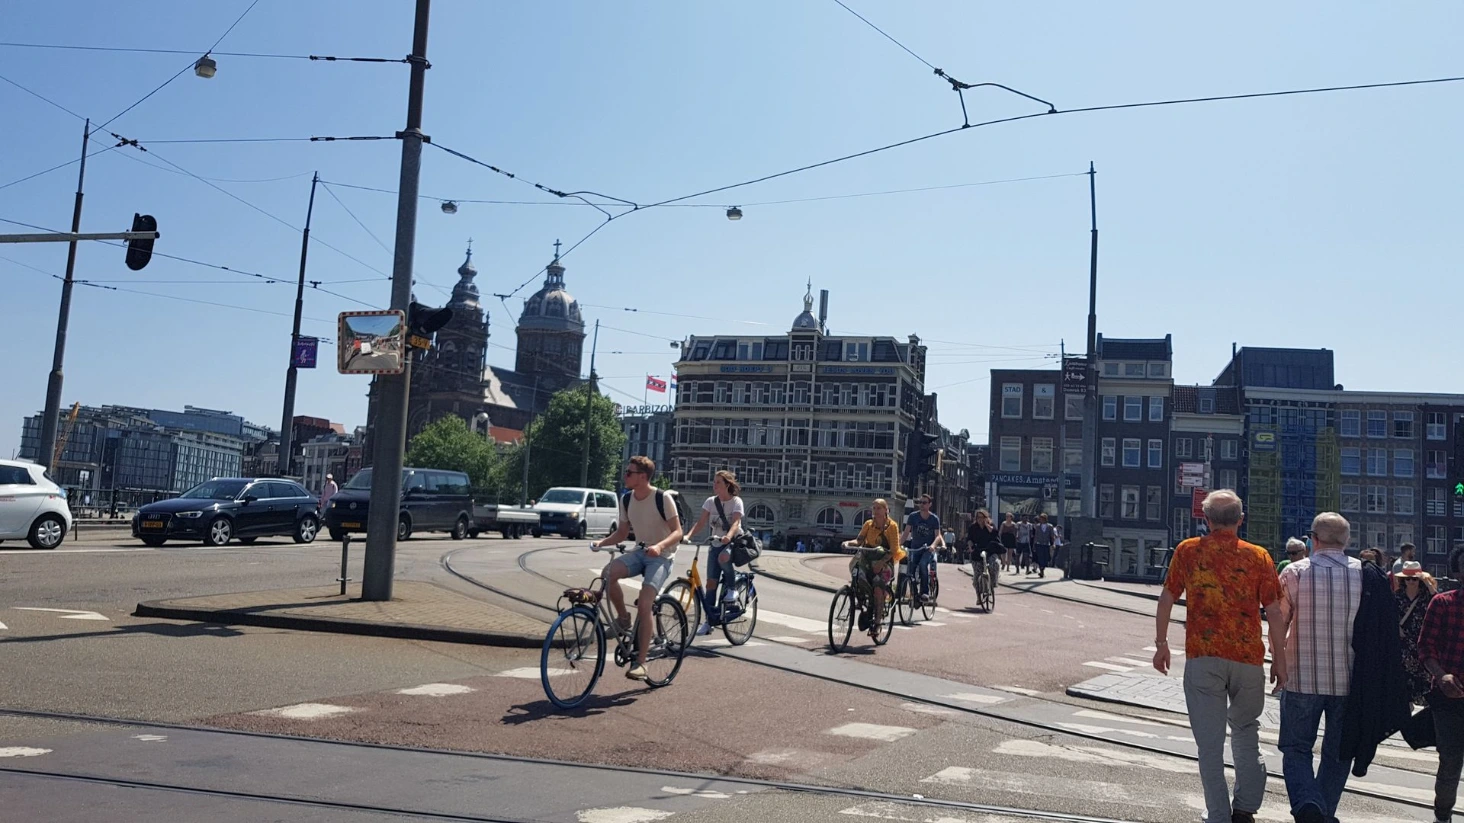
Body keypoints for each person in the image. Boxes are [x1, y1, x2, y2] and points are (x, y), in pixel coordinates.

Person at [1155, 490, 1286, 823]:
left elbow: (1167, 597)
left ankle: (1218, 814)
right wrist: (1281, 661)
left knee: (1209, 744)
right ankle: (1246, 806)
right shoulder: (1259, 557)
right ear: (1241, 520)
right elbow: (1273, 611)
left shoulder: (1188, 551)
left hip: (1204, 655)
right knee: (1246, 729)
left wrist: (1161, 644)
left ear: (1205, 519)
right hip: (1247, 658)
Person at [1277, 512, 1363, 823]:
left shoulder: (1295, 573)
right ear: (1347, 541)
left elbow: (1278, 622)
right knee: (1339, 753)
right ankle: (1323, 811)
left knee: (1296, 748)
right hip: (1349, 682)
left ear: (1312, 540)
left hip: (1302, 677)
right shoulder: (1365, 575)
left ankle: (1309, 804)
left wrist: (1277, 661)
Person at [593, 456, 685, 682]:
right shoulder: (626, 499)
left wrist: (660, 546)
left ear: (642, 477)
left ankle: (641, 663)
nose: (625, 476)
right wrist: (601, 543)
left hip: (661, 557)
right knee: (607, 574)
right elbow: (622, 533)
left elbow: (678, 532)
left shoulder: (662, 499)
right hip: (640, 552)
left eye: (629, 473)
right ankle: (623, 618)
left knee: (645, 604)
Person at [1419, 548, 1464, 823]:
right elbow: (1425, 647)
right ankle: (1442, 817)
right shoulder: (1442, 603)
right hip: (1448, 699)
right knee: (1450, 761)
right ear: (1457, 572)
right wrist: (1440, 675)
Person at [686, 470, 745, 636]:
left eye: (718, 482)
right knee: (710, 584)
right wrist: (688, 535)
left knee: (724, 557)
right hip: (715, 543)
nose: (714, 485)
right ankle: (709, 622)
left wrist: (728, 536)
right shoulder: (710, 502)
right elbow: (700, 522)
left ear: (727, 485)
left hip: (733, 541)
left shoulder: (736, 501)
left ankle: (732, 588)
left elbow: (736, 523)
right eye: (714, 482)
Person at [843, 498, 904, 640]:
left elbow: (894, 550)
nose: (875, 511)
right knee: (857, 574)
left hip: (885, 561)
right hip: (867, 558)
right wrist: (848, 543)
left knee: (878, 587)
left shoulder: (892, 526)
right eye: (874, 508)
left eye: (878, 508)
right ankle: (861, 599)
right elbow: (859, 540)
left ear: (885, 510)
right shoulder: (868, 524)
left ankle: (877, 622)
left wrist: (881, 563)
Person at [1396, 561, 1437, 704]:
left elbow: (1439, 602)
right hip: (1404, 644)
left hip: (1421, 642)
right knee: (1404, 680)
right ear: (1403, 580)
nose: (1411, 582)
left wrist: (1429, 585)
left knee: (1424, 680)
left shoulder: (1426, 597)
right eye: (1408, 578)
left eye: (1415, 578)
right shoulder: (1397, 596)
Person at [902, 495, 943, 607]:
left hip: (927, 549)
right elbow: (906, 533)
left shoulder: (934, 519)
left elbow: (938, 536)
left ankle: (925, 592)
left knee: (923, 564)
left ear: (930, 504)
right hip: (915, 548)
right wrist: (898, 545)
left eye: (924, 502)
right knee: (910, 571)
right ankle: (915, 595)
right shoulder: (913, 517)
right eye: (920, 502)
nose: (921, 504)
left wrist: (933, 546)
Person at [966, 509, 1003, 585]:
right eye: (978, 517)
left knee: (994, 564)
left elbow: (995, 533)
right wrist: (970, 547)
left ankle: (993, 582)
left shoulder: (991, 525)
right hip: (977, 551)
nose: (980, 519)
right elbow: (969, 539)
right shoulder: (973, 527)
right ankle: (978, 590)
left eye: (982, 517)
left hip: (990, 550)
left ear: (986, 518)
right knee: (977, 572)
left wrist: (987, 525)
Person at [1031, 513, 1056, 578]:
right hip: (1039, 544)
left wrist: (1053, 543)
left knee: (1046, 558)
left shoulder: (1050, 526)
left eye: (1042, 518)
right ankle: (1041, 571)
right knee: (1040, 557)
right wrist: (1034, 544)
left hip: (1046, 544)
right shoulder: (1037, 526)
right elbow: (1036, 536)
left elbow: (1052, 536)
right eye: (1040, 518)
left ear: (1045, 519)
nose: (1041, 520)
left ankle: (1043, 568)